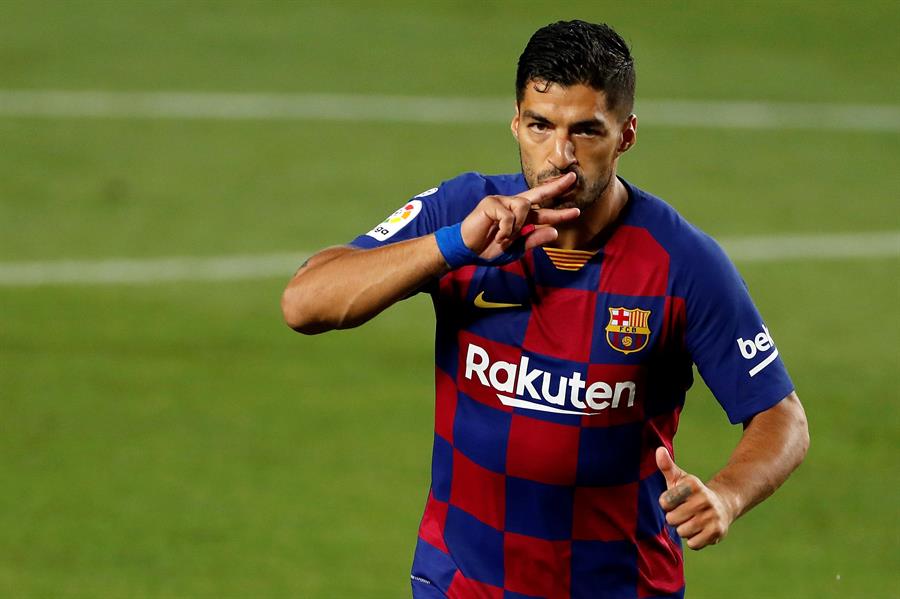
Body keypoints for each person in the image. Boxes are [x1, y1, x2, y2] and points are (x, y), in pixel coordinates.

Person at [281, 19, 809, 599]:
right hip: (460, 584)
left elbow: (782, 417)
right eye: (540, 125)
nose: (561, 155)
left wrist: (727, 496)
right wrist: (454, 245)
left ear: (626, 134)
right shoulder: (465, 210)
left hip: (618, 587)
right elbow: (305, 303)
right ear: (516, 121)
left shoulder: (681, 264)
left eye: (586, 131)